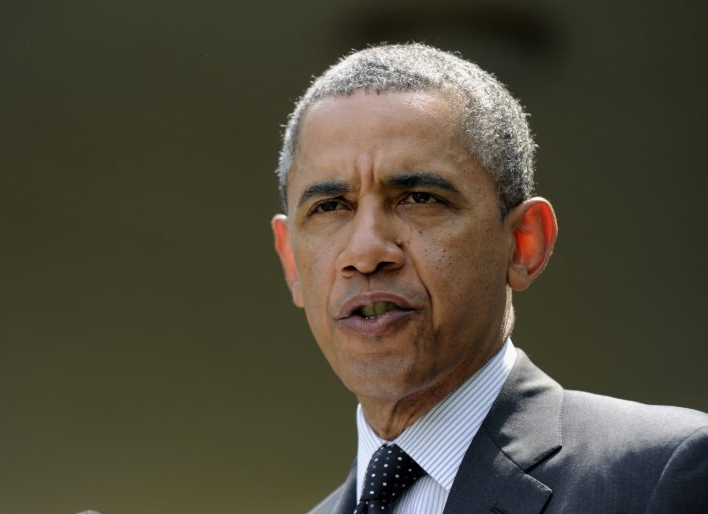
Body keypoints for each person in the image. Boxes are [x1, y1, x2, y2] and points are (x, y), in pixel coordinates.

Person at [270, 43, 708, 514]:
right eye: (330, 207)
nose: (366, 252)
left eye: (420, 198)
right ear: (291, 260)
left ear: (524, 243)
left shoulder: (662, 475)